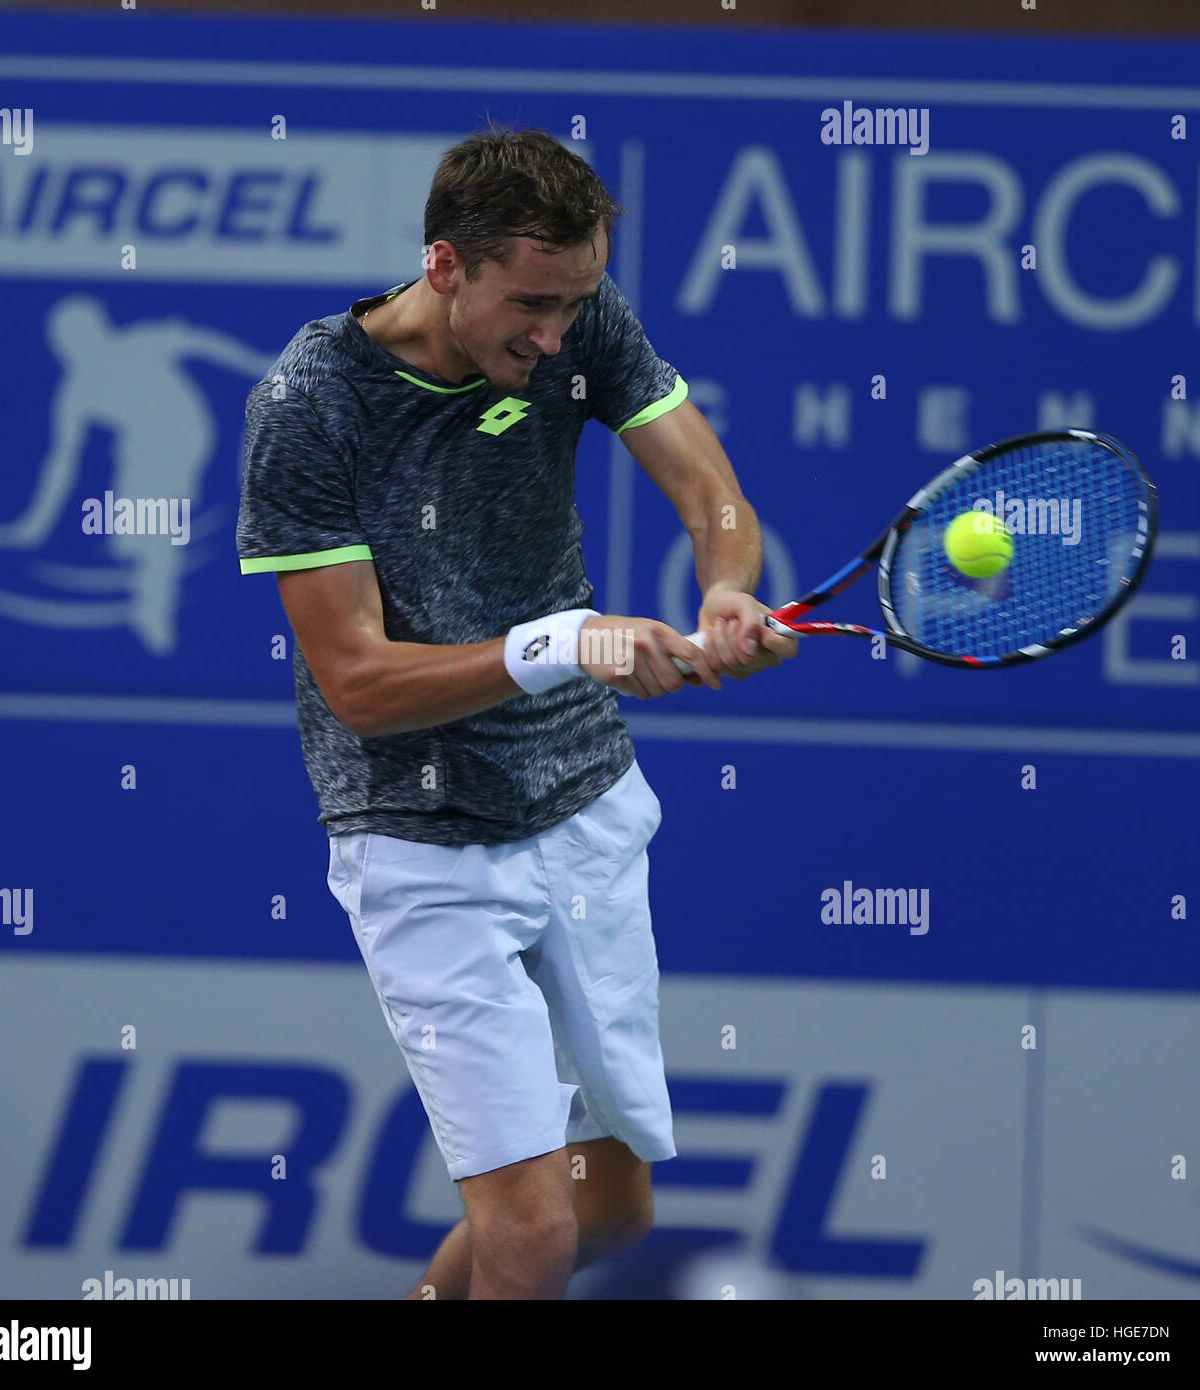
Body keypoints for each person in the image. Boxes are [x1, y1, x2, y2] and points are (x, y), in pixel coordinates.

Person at [236, 124, 797, 1300]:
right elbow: (358, 682)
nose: (552, 339)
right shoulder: (310, 405)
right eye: (529, 308)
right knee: (532, 1231)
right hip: (418, 837)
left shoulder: (577, 315)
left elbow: (707, 486)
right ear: (444, 264)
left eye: (572, 305)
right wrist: (560, 646)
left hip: (585, 809)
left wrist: (725, 586)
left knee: (609, 1208)